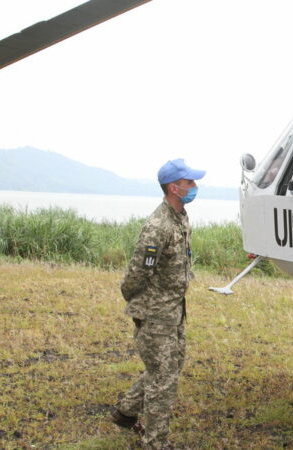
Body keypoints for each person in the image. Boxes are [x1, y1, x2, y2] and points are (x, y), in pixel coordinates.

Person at [109, 158, 206, 450]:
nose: (195, 187)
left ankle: (125, 412)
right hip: (155, 315)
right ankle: (155, 443)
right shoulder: (158, 226)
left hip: (174, 311)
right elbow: (137, 274)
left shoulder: (180, 217)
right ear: (174, 188)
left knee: (169, 366)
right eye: (189, 183)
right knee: (163, 380)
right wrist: (137, 302)